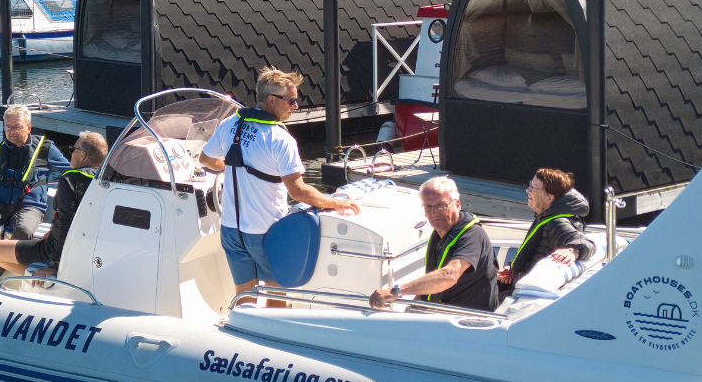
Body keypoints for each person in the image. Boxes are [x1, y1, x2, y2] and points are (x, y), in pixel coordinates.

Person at [200, 67, 360, 297]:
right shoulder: (281, 139)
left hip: (231, 231)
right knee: (276, 294)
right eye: (291, 101)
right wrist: (336, 203)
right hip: (266, 231)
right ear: (271, 100)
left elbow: (206, 159)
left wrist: (234, 165)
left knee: (244, 294)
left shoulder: (230, 125)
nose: (296, 106)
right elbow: (298, 191)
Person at [0, 104, 69, 278]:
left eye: (17, 127)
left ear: (28, 128)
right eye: (8, 127)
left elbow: (69, 173)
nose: (12, 132)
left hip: (30, 206)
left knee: (24, 230)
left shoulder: (46, 149)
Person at [0, 131, 106, 281]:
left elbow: (65, 221)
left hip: (56, 249)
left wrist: (52, 264)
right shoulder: (104, 181)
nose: (71, 153)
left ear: (82, 155)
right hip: (86, 248)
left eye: (73, 150)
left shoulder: (70, 180)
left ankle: (49, 281)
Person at [370, 177, 499, 312]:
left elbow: (450, 275)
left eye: (441, 206)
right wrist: (412, 310)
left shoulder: (473, 235)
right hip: (444, 313)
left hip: (471, 320)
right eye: (428, 207)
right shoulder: (439, 233)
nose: (434, 213)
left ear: (457, 204)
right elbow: (431, 284)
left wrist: (396, 291)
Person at [497, 168, 595, 292]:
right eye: (530, 185)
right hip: (520, 282)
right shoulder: (546, 216)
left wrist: (573, 250)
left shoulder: (557, 222)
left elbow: (587, 244)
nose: (528, 190)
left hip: (527, 292)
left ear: (550, 198)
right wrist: (513, 268)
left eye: (534, 187)